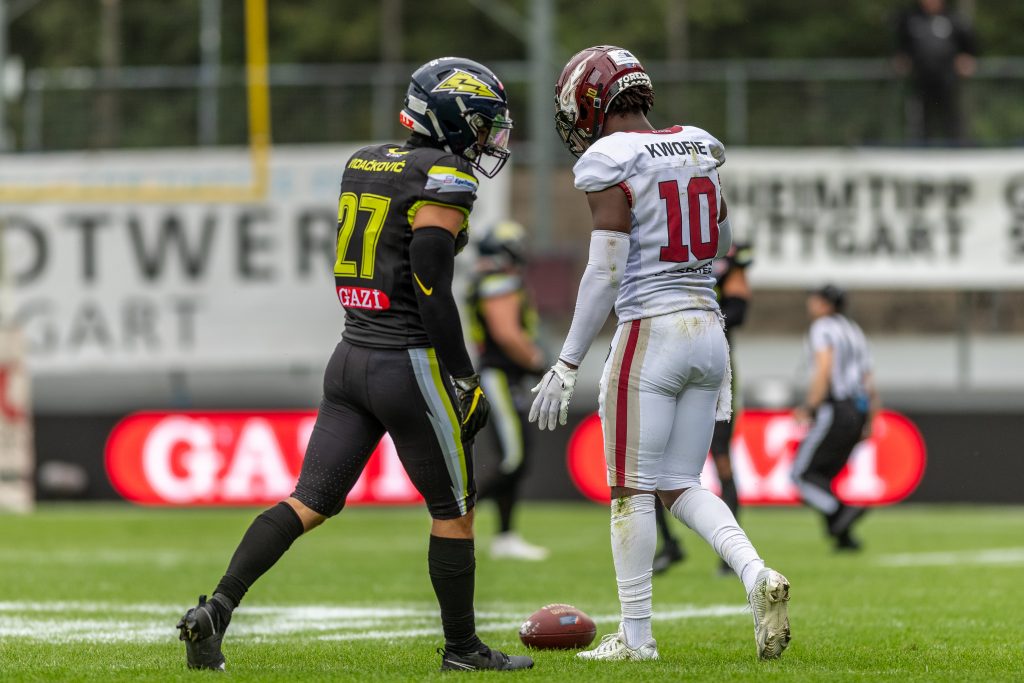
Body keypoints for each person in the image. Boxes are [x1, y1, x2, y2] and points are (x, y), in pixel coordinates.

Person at [175, 57, 533, 673]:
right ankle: (463, 650)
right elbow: (430, 287)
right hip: (407, 364)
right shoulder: (445, 175)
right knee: (454, 511)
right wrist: (463, 376)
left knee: (308, 501)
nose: (486, 138)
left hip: (350, 357)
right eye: (480, 124)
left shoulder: (365, 161)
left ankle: (217, 609)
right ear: (451, 118)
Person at [530, 45, 790, 662]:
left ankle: (637, 637)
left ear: (590, 101)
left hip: (652, 331)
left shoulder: (611, 157)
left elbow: (604, 272)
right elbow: (723, 238)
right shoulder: (698, 145)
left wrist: (567, 360)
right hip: (709, 331)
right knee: (679, 484)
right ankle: (756, 574)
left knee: (630, 490)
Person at [652, 242, 754, 576]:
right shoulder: (663, 250)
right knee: (649, 461)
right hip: (668, 366)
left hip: (710, 371)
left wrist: (699, 319)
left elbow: (738, 310)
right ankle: (668, 543)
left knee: (721, 458)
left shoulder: (725, 258)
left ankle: (731, 552)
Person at [467, 220, 549, 561]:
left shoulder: (490, 280)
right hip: (498, 376)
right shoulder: (498, 282)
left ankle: (505, 536)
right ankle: (457, 513)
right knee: (514, 458)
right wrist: (536, 360)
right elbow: (506, 334)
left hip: (505, 377)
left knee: (515, 457)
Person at [792, 285, 879, 551]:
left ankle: (842, 511)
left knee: (801, 476)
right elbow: (868, 377)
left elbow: (824, 369)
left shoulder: (822, 328)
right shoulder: (853, 329)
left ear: (824, 304)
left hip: (836, 408)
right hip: (858, 408)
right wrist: (870, 418)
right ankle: (844, 537)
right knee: (824, 477)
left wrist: (810, 406)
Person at [896, 0, 978, 145]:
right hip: (920, 78)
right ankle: (921, 148)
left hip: (948, 77)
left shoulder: (953, 18)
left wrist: (966, 57)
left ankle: (957, 147)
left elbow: (969, 42)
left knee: (952, 116)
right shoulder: (911, 18)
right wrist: (902, 58)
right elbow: (902, 43)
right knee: (921, 118)